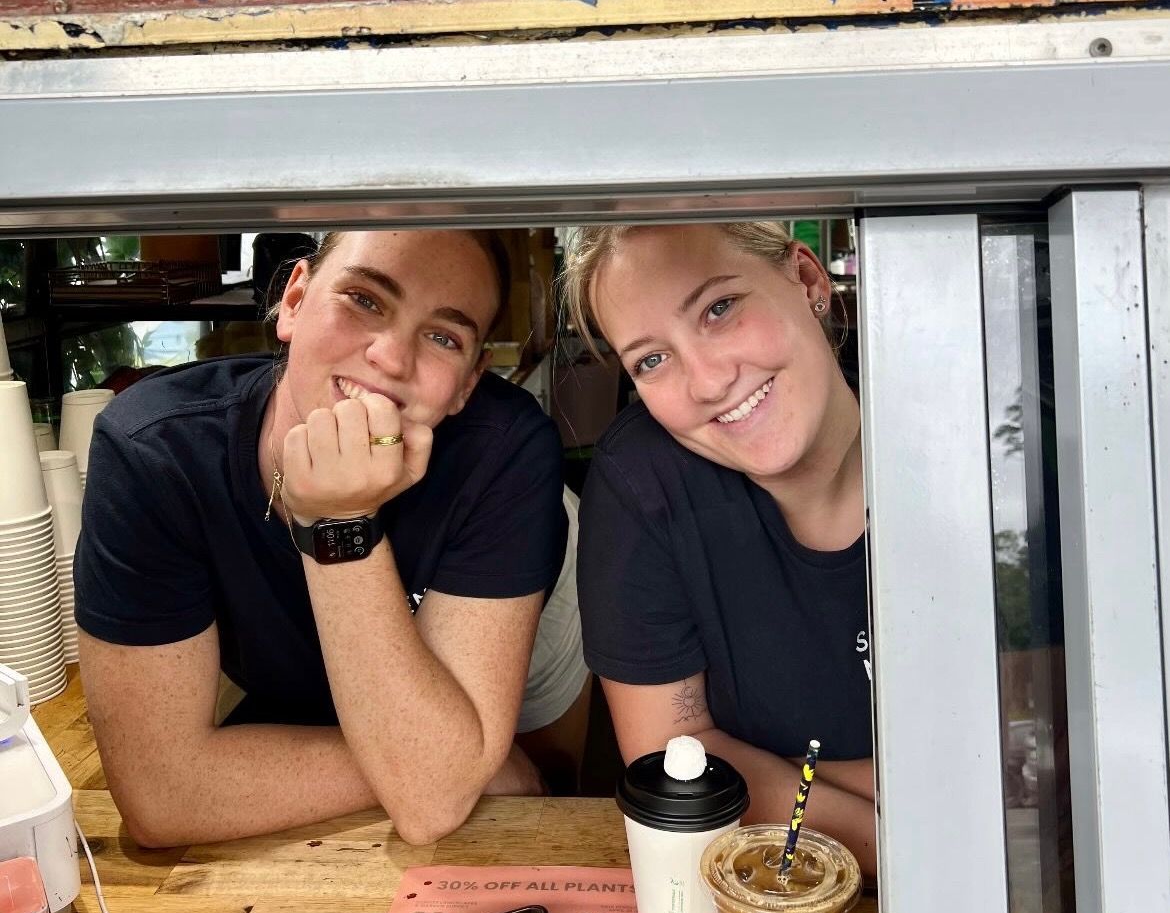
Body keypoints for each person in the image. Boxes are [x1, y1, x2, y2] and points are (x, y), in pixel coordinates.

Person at [75, 227, 587, 848]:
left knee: (542, 790)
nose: (391, 358)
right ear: (294, 301)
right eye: (365, 300)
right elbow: (160, 797)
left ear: (467, 383)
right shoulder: (155, 451)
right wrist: (451, 766)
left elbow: (437, 804)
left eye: (443, 337)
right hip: (337, 681)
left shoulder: (505, 454)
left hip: (510, 596)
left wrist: (337, 521)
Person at [562, 221, 876, 878]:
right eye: (651, 360)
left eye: (719, 308)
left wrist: (770, 774)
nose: (706, 382)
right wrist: (901, 838)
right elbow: (676, 765)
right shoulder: (644, 482)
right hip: (771, 896)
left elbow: (1032, 748)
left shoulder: (962, 428)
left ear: (807, 280)